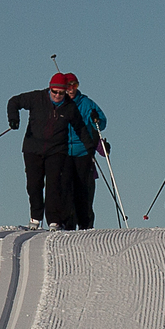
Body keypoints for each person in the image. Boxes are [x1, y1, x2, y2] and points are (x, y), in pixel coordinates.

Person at [7, 73, 96, 230]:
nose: (57, 95)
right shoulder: (36, 98)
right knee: (34, 185)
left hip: (56, 150)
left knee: (54, 186)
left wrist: (89, 147)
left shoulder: (69, 107)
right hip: (33, 148)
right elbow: (14, 102)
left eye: (61, 93)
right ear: (50, 89)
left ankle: (53, 220)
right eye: (54, 92)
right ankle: (35, 217)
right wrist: (14, 119)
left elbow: (80, 128)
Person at [63, 72, 107, 230]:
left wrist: (96, 118)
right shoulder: (60, 103)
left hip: (83, 152)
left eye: (75, 85)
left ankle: (86, 226)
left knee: (84, 190)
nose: (72, 89)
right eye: (68, 85)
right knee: (67, 190)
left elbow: (101, 123)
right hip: (65, 152)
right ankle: (67, 225)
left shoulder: (86, 103)